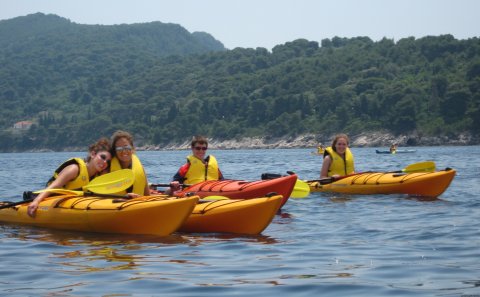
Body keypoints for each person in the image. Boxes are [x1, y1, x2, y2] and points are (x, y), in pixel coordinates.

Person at [27, 138, 112, 217]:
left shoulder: (99, 177)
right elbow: (54, 186)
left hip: (73, 204)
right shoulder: (74, 169)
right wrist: (36, 201)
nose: (104, 162)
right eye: (102, 157)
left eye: (107, 161)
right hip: (50, 201)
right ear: (93, 154)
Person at [110, 130, 150, 197]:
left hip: (138, 205)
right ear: (115, 151)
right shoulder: (108, 169)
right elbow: (103, 198)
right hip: (116, 205)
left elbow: (147, 195)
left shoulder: (140, 168)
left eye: (127, 147)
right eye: (119, 149)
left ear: (132, 148)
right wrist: (124, 197)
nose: (124, 151)